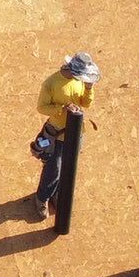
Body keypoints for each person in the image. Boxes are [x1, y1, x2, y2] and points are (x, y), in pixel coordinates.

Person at [30, 52, 100, 215]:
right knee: (54, 169)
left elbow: (86, 103)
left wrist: (89, 88)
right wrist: (61, 109)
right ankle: (42, 198)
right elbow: (42, 107)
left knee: (68, 168)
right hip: (57, 134)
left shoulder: (80, 81)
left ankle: (56, 193)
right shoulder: (51, 83)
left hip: (75, 133)